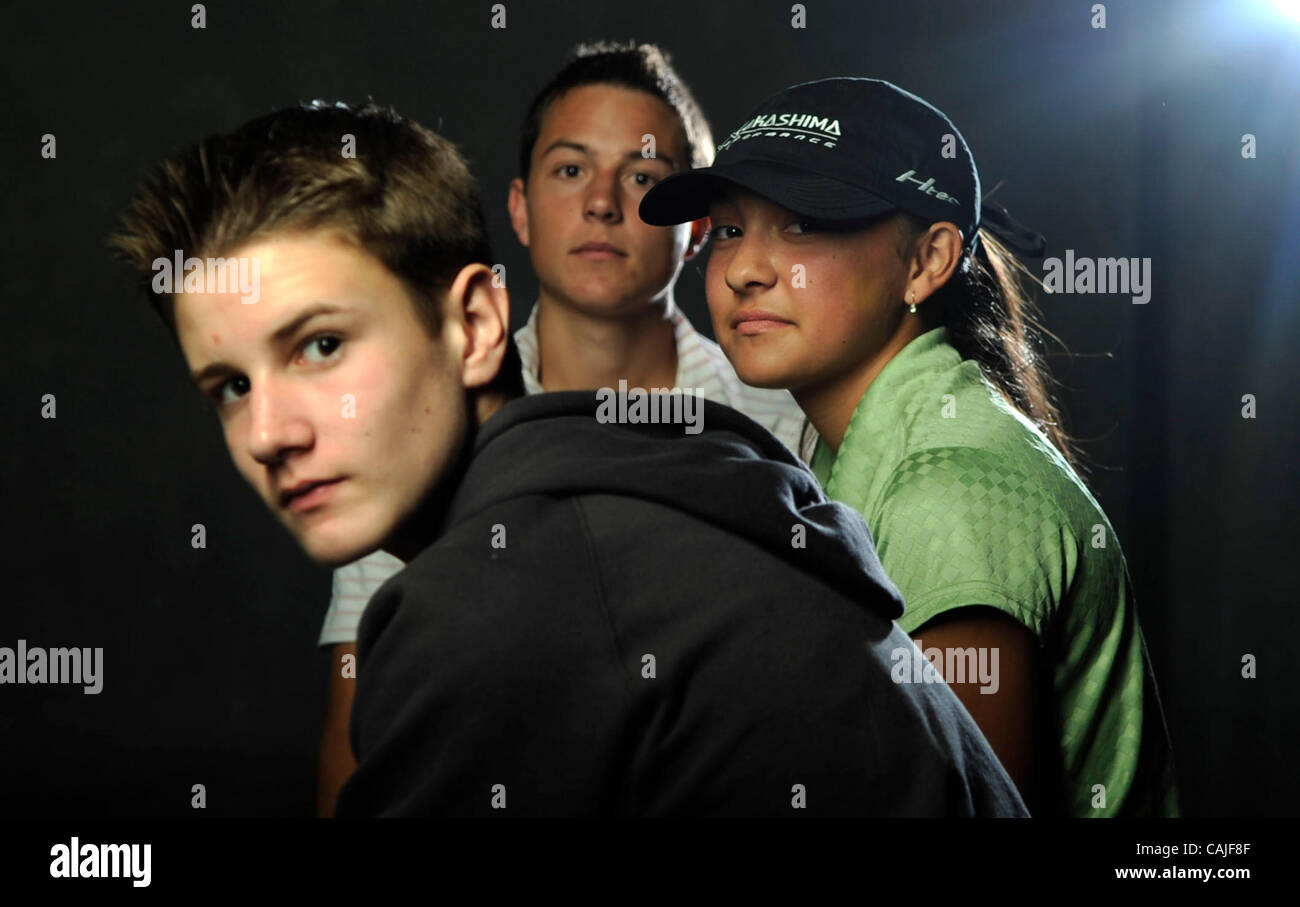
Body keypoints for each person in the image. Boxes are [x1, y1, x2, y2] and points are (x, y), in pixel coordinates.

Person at [108, 100, 1028, 816]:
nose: (269, 431)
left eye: (319, 347)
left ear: (473, 325)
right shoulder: (628, 489)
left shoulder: (499, 594)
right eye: (230, 385)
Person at [640, 77, 1179, 817]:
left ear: (926, 260)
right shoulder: (872, 447)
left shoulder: (946, 489)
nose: (742, 269)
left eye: (802, 223)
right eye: (729, 228)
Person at [315, 42, 809, 815]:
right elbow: (356, 736)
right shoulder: (426, 424)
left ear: (698, 226)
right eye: (571, 169)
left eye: (645, 177)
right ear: (519, 207)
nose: (604, 203)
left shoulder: (785, 420)